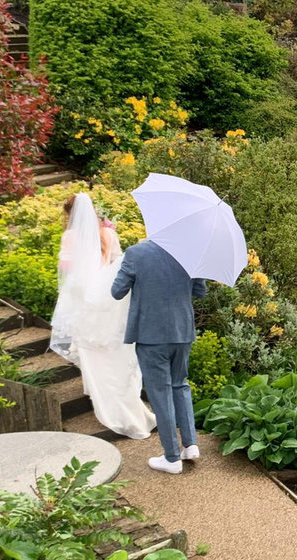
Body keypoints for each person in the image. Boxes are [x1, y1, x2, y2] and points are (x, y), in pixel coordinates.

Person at [49, 193, 157, 439]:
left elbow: (66, 270)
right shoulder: (109, 233)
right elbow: (118, 264)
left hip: (84, 301)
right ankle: (129, 406)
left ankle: (103, 398)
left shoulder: (70, 237)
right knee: (113, 351)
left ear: (70, 215)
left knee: (92, 352)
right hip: (108, 298)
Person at [111, 237, 207, 474]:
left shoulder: (136, 253)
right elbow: (200, 291)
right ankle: (190, 444)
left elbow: (116, 291)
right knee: (180, 385)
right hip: (182, 331)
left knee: (160, 392)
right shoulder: (190, 251)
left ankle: (172, 457)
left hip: (151, 333)